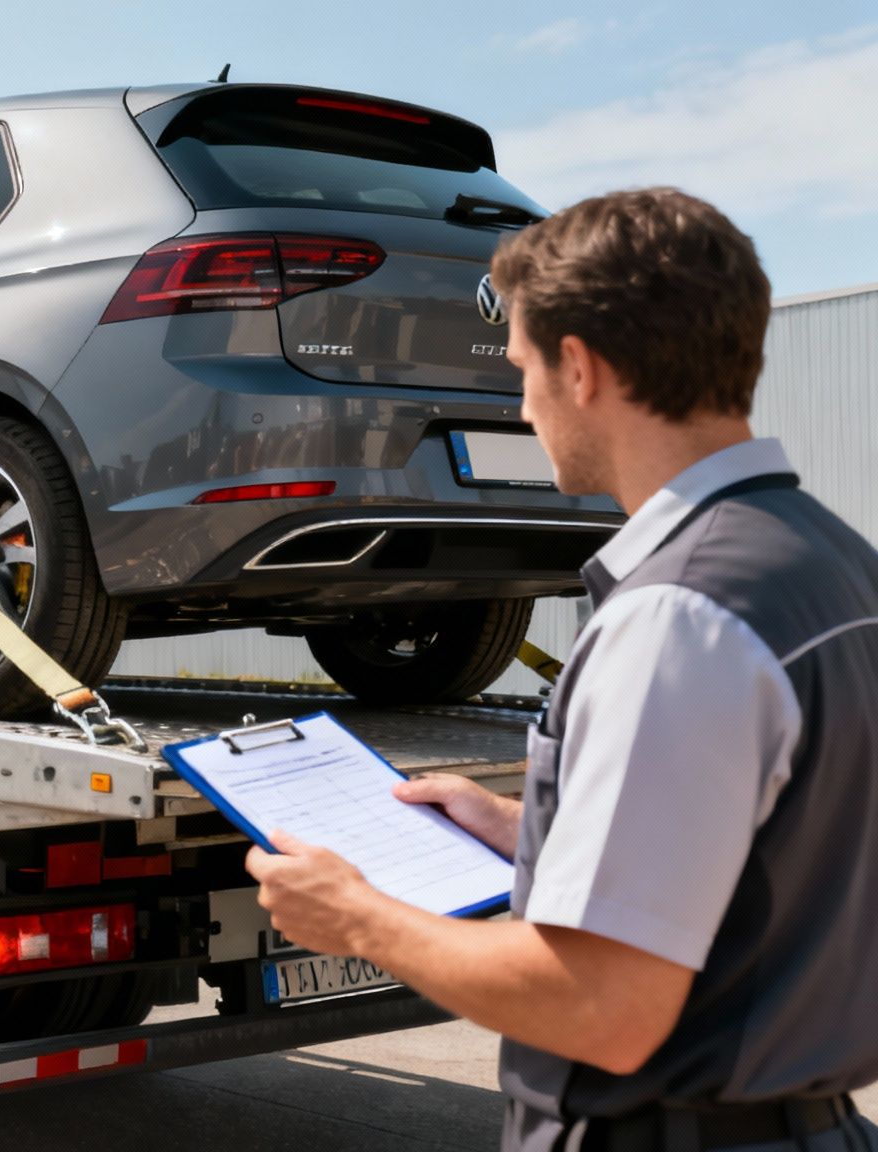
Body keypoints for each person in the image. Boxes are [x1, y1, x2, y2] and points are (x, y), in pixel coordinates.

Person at [246, 188, 878, 1151]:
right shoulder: (836, 564)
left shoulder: (678, 616)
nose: (522, 399)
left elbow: (602, 1010)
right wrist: (522, 828)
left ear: (580, 368)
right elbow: (779, 845)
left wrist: (360, 917)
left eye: (524, 367)